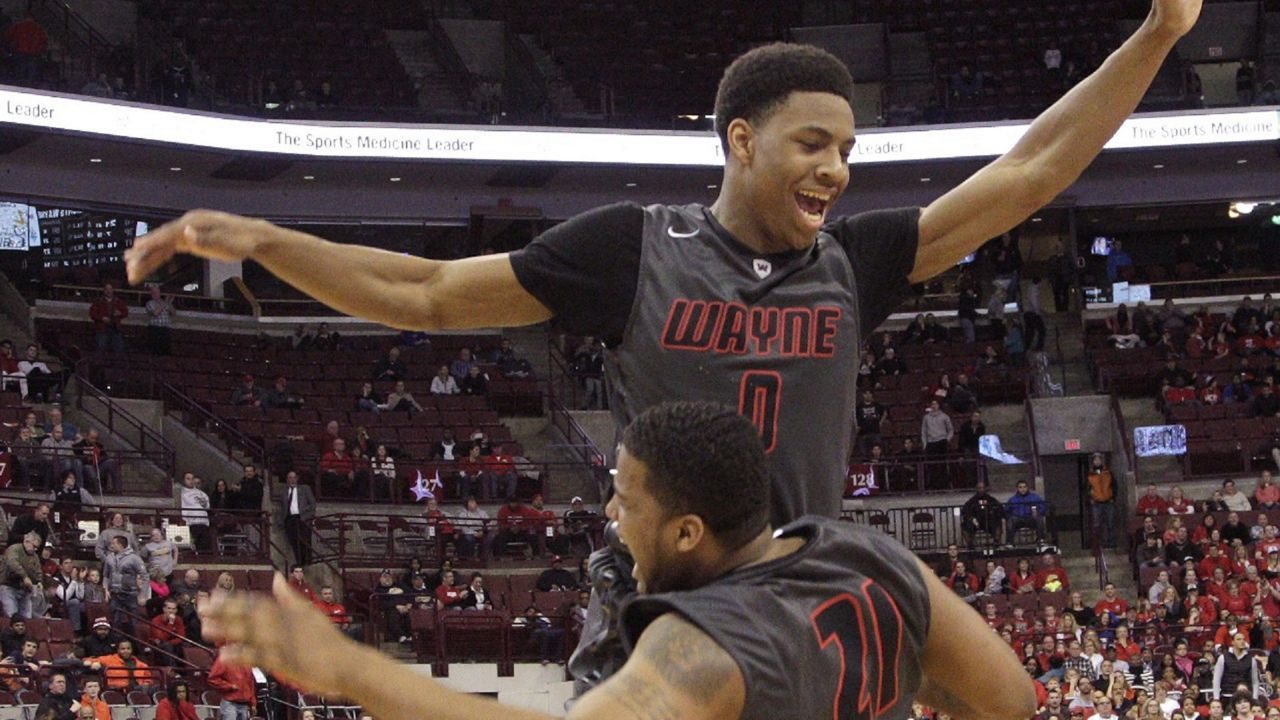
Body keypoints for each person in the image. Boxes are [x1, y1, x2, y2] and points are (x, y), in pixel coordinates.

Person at [134, 2, 1205, 691]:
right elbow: (423, 292)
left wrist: (1155, 32)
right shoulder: (631, 250)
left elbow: (1025, 175)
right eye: (811, 143)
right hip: (675, 584)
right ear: (740, 141)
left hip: (812, 568)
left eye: (847, 148)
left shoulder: (855, 262)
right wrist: (271, 239)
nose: (836, 169)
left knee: (1002, 695)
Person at [198, 401, 1037, 720]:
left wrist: (346, 667)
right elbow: (1008, 698)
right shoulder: (869, 554)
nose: (607, 514)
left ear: (686, 532)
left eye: (625, 498)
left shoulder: (699, 643)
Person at [103, 535, 145, 632]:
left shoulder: (134, 558)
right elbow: (106, 575)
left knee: (133, 621)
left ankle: (135, 643)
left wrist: (142, 593)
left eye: (114, 543)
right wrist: (105, 589)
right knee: (115, 620)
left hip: (130, 593)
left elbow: (144, 575)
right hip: (115, 593)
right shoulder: (109, 558)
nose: (111, 545)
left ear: (120, 545)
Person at [0, 531, 42, 619]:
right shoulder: (13, 549)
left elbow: (38, 570)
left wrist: (39, 581)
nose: (35, 549)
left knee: (27, 617)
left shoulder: (35, 556)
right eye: (34, 546)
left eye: (37, 548)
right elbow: (12, 564)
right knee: (12, 615)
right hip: (8, 586)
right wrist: (24, 576)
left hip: (24, 590)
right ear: (26, 541)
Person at [280, 470, 316, 568]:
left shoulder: (305, 489)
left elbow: (312, 504)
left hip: (302, 518)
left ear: (297, 479)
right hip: (290, 519)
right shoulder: (284, 492)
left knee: (305, 541)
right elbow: (283, 507)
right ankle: (299, 562)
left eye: (293, 477)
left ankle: (308, 562)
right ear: (287, 480)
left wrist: (304, 512)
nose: (292, 480)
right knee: (294, 542)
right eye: (289, 478)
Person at [209, 647, 256, 720]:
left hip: (244, 704)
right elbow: (212, 678)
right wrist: (229, 686)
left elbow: (251, 684)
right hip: (230, 703)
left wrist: (253, 703)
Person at [1087, 453, 1117, 548]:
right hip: (1096, 503)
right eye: (1095, 460)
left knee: (1110, 523)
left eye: (1099, 459)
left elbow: (1114, 486)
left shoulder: (1108, 472)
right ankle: (1099, 543)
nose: (1097, 461)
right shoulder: (1089, 475)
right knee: (1097, 524)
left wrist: (1113, 497)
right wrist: (1090, 499)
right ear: (1093, 462)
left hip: (1108, 501)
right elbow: (1087, 489)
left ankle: (1111, 542)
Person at [88, 284, 128, 353]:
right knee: (101, 347)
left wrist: (120, 313)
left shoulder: (118, 301)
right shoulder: (98, 301)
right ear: (104, 291)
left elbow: (125, 312)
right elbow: (92, 314)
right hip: (102, 328)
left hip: (115, 328)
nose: (108, 291)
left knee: (119, 348)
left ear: (113, 290)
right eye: (106, 289)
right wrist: (101, 318)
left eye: (110, 289)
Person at [1006, 479, 1048, 544]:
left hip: (1030, 518)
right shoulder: (1012, 499)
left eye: (1024, 487)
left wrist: (1039, 512)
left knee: (1039, 518)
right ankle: (1009, 542)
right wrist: (1010, 516)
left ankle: (1041, 539)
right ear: (1017, 488)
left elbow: (1043, 506)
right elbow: (1007, 510)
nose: (1023, 489)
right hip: (1018, 519)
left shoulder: (1035, 497)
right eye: (1020, 487)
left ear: (1027, 488)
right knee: (1011, 520)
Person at [180, 472, 212, 553]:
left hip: (203, 523)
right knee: (190, 549)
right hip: (190, 524)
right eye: (188, 479)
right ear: (183, 480)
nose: (191, 481)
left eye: (192, 478)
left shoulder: (201, 493)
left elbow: (207, 506)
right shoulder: (181, 493)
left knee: (205, 550)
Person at [143, 285, 176, 356]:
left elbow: (173, 313)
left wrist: (169, 303)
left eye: (157, 292)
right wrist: (165, 302)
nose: (155, 294)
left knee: (166, 350)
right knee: (155, 351)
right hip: (155, 329)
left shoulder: (165, 303)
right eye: (153, 292)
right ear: (151, 293)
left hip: (165, 329)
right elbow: (155, 313)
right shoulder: (149, 303)